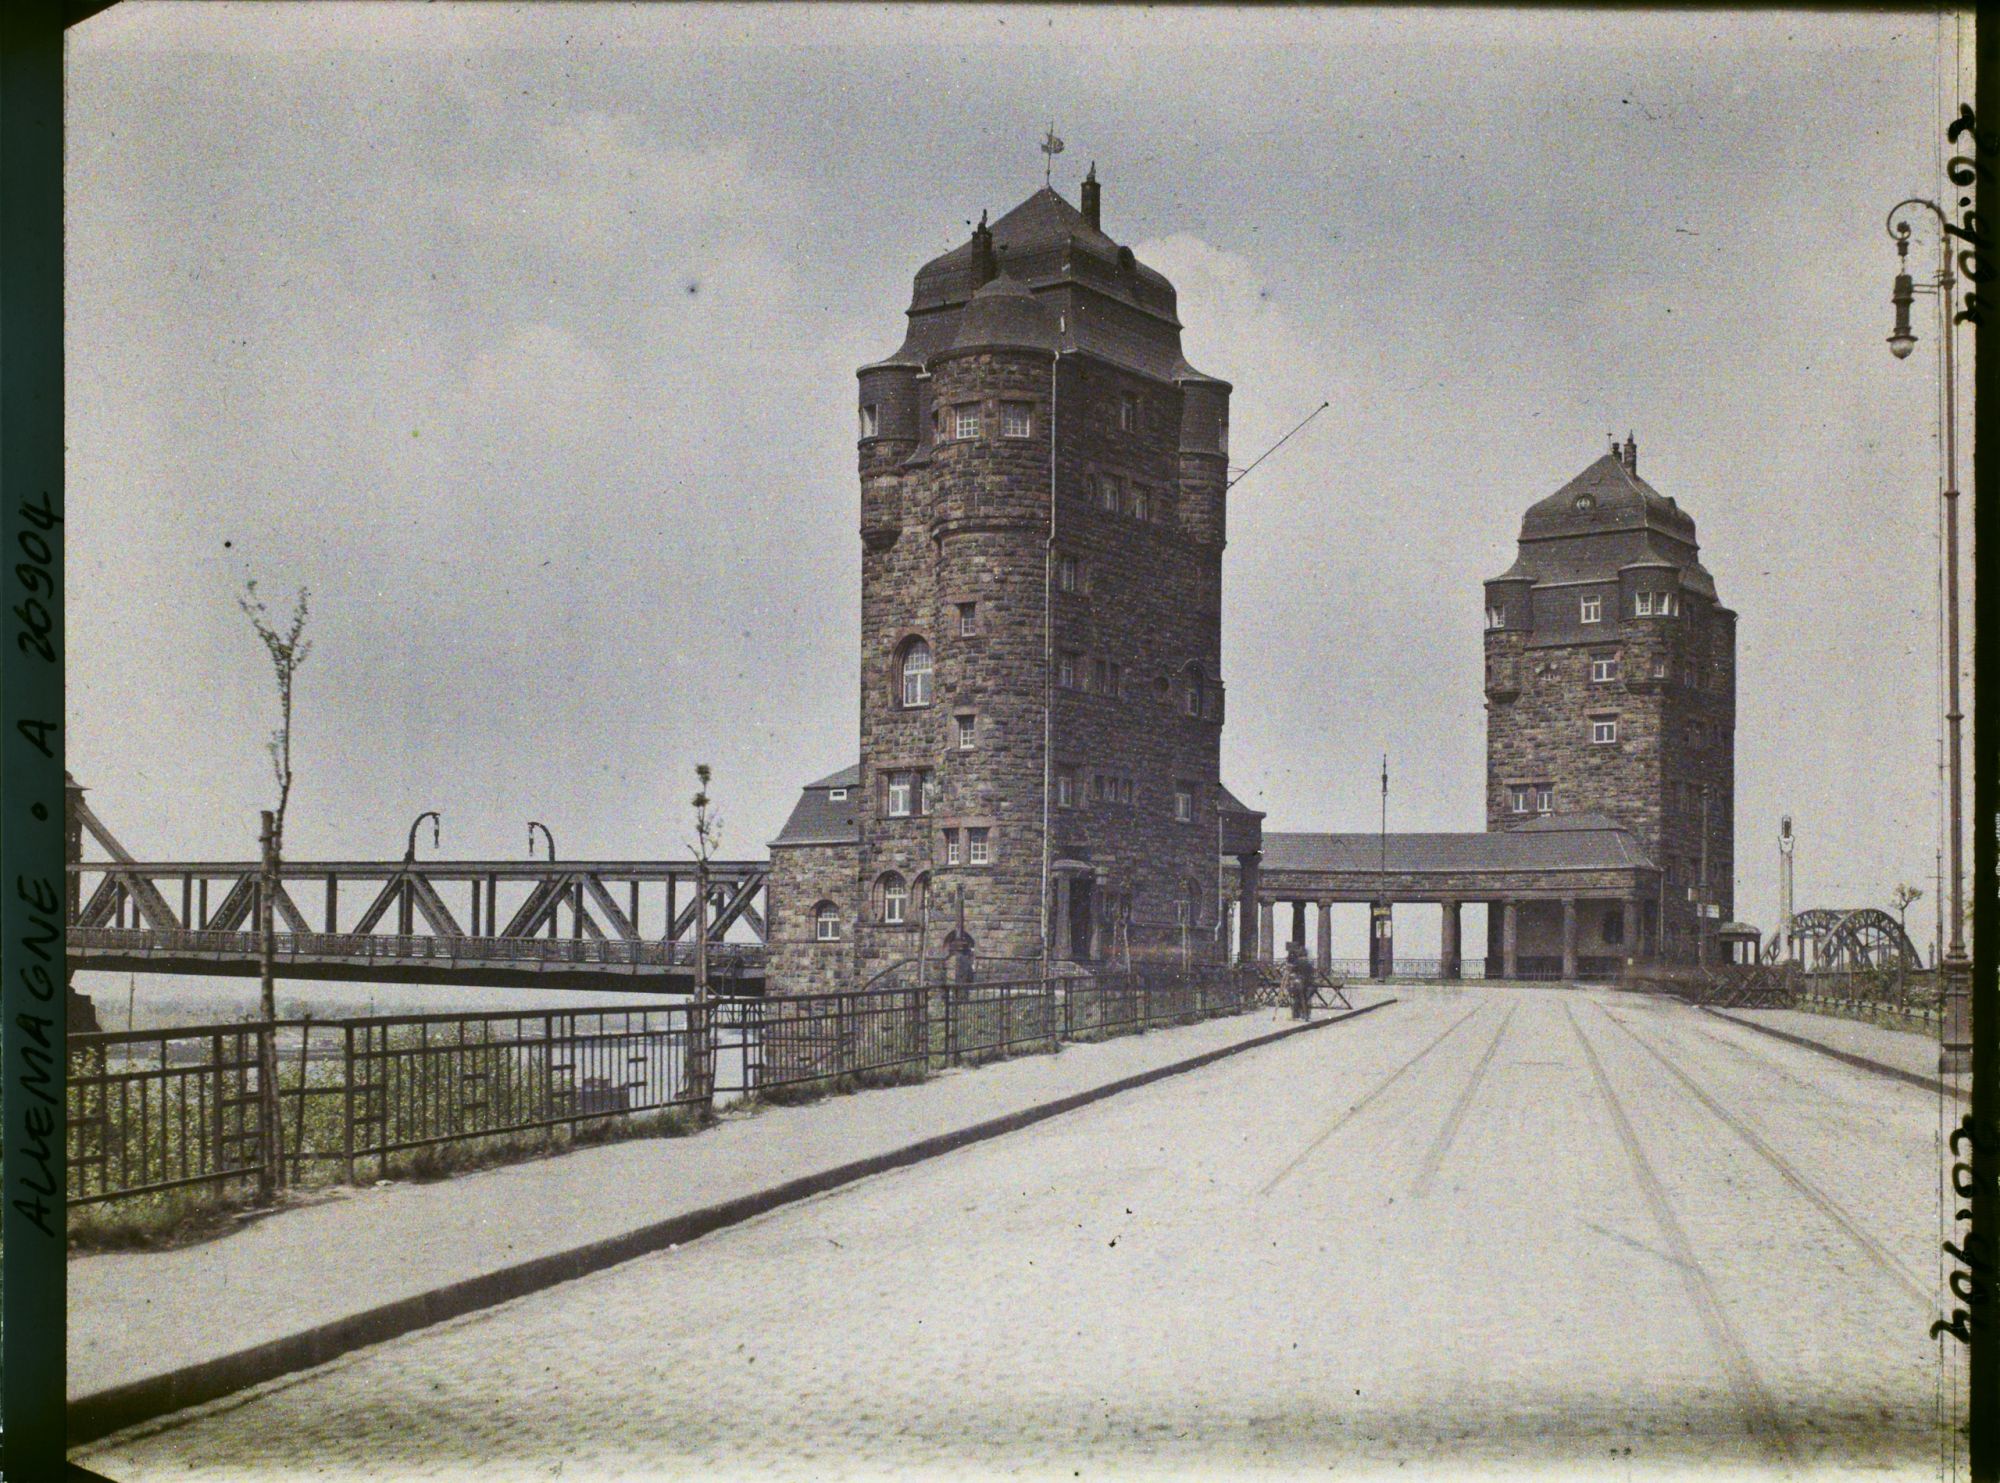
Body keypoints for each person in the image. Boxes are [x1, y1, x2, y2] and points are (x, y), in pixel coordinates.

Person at [1284, 940, 1313, 1020]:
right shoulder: (1309, 963)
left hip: (1299, 983)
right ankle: (1305, 1014)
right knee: (1304, 999)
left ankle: (1296, 1014)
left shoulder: (1298, 962)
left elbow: (1291, 971)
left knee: (1297, 997)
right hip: (1307, 984)